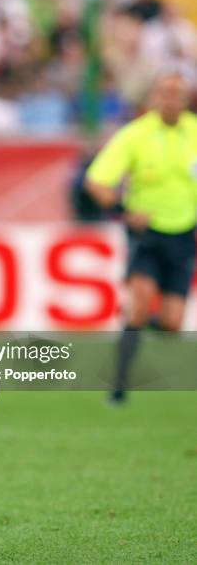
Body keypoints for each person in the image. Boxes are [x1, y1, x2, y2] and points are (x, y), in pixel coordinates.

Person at [85, 67, 197, 403]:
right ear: (154, 98)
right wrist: (123, 210)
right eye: (165, 93)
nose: (171, 100)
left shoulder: (194, 132)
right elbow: (96, 180)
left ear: (187, 99)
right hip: (146, 235)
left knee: (173, 324)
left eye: (178, 94)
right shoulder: (135, 135)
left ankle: (133, 330)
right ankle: (118, 386)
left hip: (183, 235)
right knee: (138, 305)